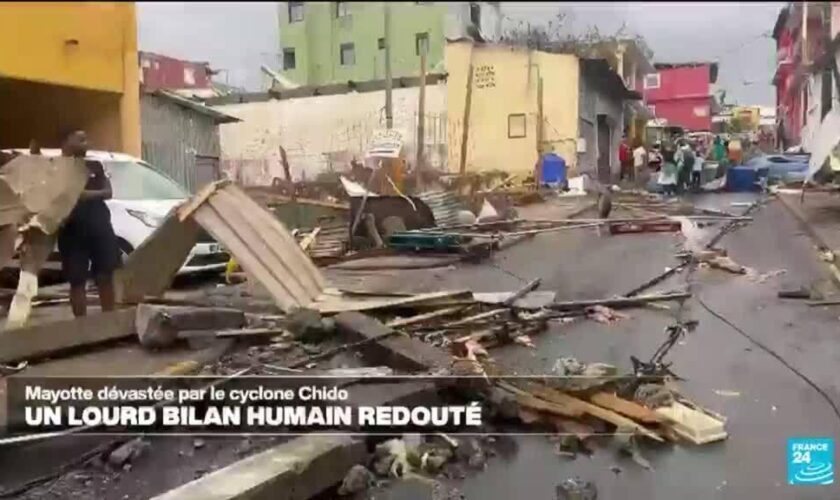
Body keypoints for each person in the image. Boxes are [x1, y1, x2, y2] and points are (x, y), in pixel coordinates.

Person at [57, 130, 119, 317]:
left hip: (100, 227)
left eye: (87, 138)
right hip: (72, 231)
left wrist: (81, 195)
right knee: (77, 281)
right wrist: (85, 195)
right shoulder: (57, 168)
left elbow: (108, 192)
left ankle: (109, 321)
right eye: (80, 139)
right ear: (67, 141)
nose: (86, 143)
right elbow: (58, 196)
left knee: (105, 275)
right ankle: (81, 328)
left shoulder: (95, 165)